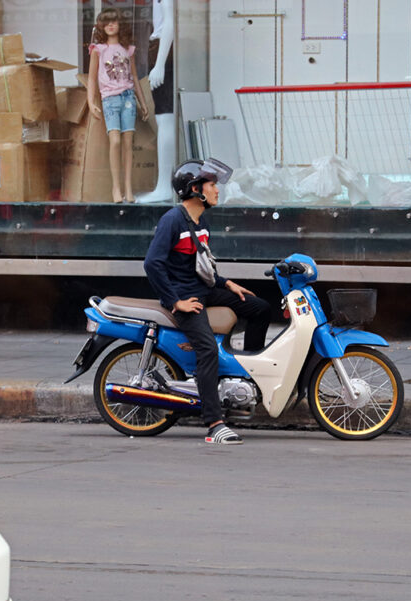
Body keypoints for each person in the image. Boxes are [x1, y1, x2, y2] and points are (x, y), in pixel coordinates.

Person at [144, 159, 271, 445]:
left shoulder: (201, 222)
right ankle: (214, 425)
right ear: (195, 189)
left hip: (204, 288)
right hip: (185, 296)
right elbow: (152, 264)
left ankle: (248, 373)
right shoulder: (172, 220)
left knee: (260, 308)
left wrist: (226, 283)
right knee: (208, 350)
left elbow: (201, 266)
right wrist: (175, 302)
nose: (217, 190)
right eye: (212, 185)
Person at [87, 8, 149, 203]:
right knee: (115, 141)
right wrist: (90, 102)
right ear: (101, 26)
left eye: (114, 21)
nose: (111, 25)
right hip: (109, 99)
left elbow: (134, 77)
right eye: (106, 22)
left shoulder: (128, 49)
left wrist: (142, 102)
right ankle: (116, 187)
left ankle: (128, 188)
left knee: (128, 143)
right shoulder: (98, 50)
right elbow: (91, 78)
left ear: (120, 24)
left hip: (128, 98)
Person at [136, 0, 176, 203]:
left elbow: (170, 22)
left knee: (165, 118)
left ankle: (164, 186)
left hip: (164, 49)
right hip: (162, 48)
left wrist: (159, 64)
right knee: (165, 118)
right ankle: (165, 185)